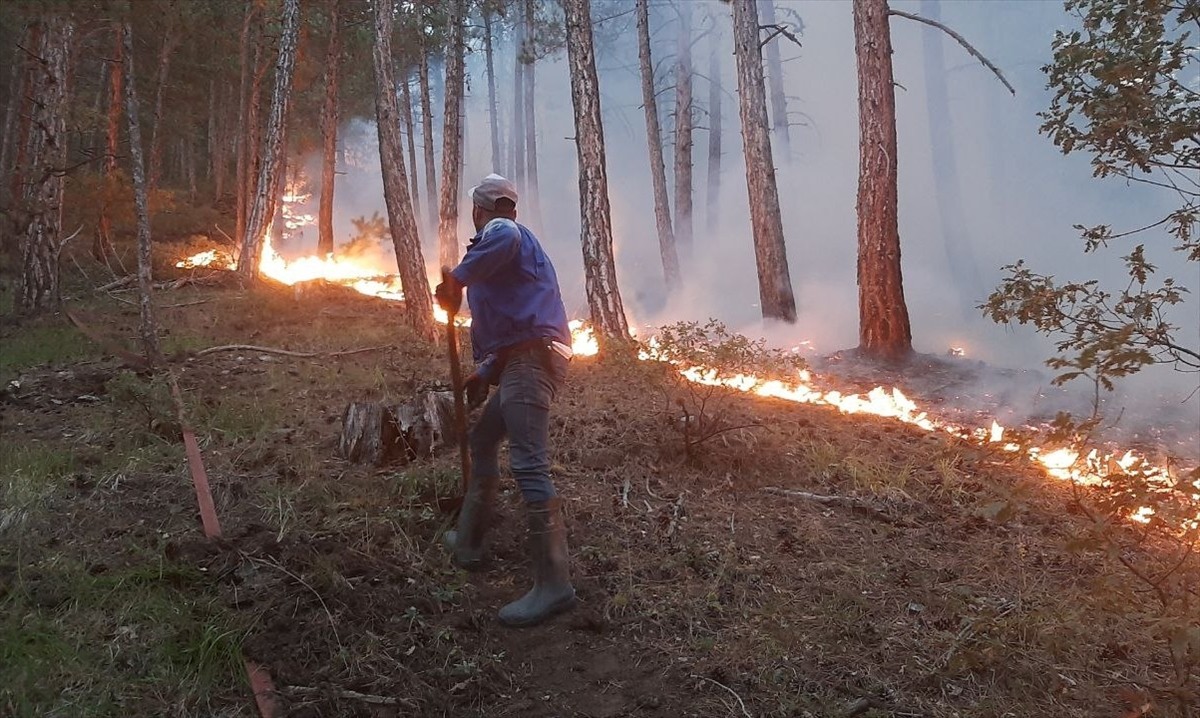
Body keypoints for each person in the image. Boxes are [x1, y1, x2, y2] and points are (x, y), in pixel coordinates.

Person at [434, 174, 577, 627]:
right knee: (482, 438)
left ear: (479, 212)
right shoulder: (510, 246)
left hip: (533, 362)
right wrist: (485, 372)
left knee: (529, 463)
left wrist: (456, 280)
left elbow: (503, 237)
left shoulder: (501, 232)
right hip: (521, 359)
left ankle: (554, 585)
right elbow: (516, 326)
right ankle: (469, 541)